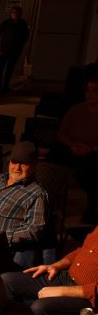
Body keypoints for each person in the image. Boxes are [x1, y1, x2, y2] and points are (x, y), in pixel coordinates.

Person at [57, 75, 98, 222]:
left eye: (94, 91)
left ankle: (92, 206)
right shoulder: (76, 110)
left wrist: (91, 148)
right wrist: (72, 145)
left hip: (92, 154)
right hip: (72, 150)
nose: (90, 94)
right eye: (88, 91)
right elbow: (61, 133)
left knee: (91, 168)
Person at [0, 6, 30, 93]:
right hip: (4, 49)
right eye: (13, 13)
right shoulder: (6, 22)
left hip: (16, 50)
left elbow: (26, 36)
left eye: (17, 13)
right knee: (0, 67)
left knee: (10, 68)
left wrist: (22, 44)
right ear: (11, 13)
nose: (15, 14)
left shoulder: (23, 24)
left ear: (20, 14)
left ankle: (5, 86)